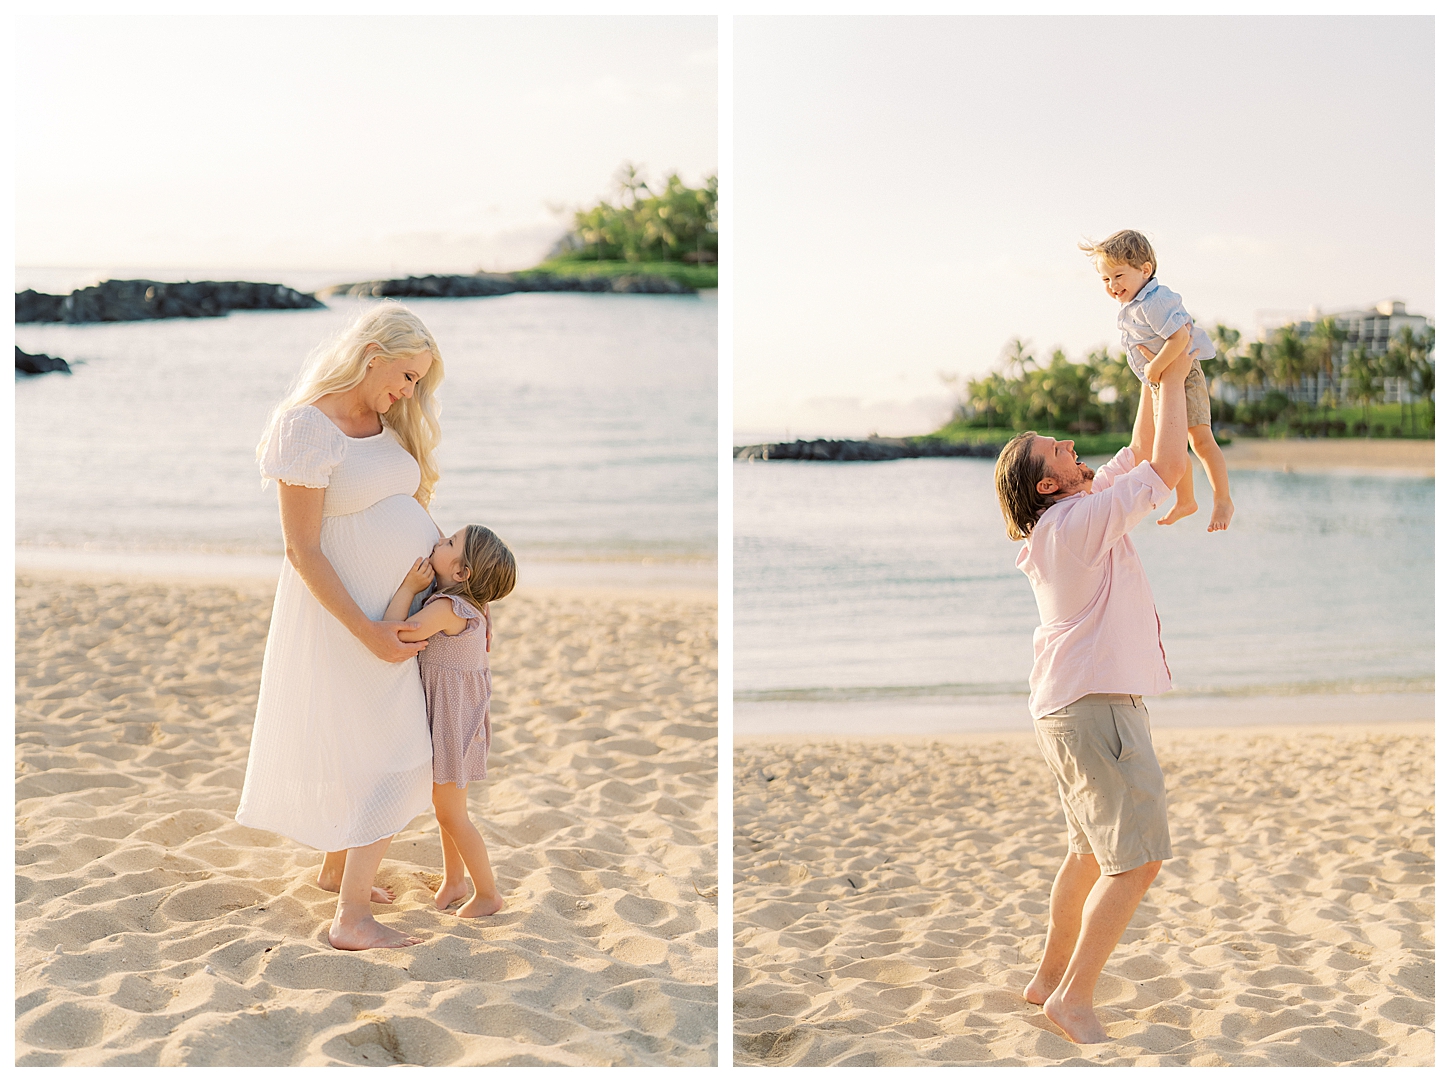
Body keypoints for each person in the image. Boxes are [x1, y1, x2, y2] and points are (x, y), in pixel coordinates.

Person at [992, 343, 1195, 1044]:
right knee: (1137, 860)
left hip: (1068, 709)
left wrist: (1154, 375)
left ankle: (1048, 979)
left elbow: (1141, 454)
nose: (1072, 445)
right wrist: (1172, 375)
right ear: (1048, 485)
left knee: (1087, 854)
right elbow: (1169, 469)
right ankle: (1072, 998)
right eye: (1058, 449)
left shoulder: (1068, 516)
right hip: (1095, 709)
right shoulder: (1078, 524)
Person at [235, 301, 446, 951]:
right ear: (372, 355)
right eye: (406, 376)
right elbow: (302, 550)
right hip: (347, 617)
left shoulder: (386, 422)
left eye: (418, 382)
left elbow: (402, 506)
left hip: (396, 615)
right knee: (400, 751)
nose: (410, 391)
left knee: (370, 739)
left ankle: (336, 869)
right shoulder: (306, 427)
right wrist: (366, 629)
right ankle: (352, 919)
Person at [384, 524, 517, 919]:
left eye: (449, 543)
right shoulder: (469, 606)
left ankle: (488, 892)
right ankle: (454, 881)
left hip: (451, 723)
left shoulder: (445, 609)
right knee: (448, 809)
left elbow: (400, 632)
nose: (438, 541)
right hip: (459, 717)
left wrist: (408, 588)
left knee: (451, 813)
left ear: (461, 574)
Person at [1079, 229, 1234, 531]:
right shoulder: (1134, 304)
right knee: (1171, 444)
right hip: (1161, 381)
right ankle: (1187, 499)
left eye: (1118, 276)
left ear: (1145, 270)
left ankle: (1223, 499)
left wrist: (1155, 369)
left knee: (1200, 440)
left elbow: (1180, 337)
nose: (1112, 286)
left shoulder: (1154, 300)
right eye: (1106, 280)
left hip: (1182, 375)